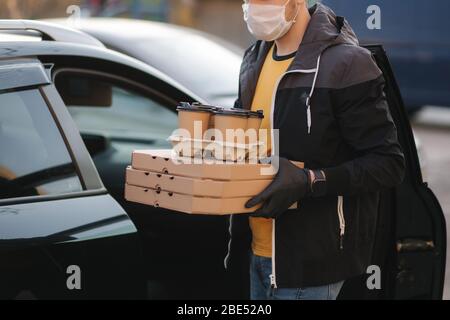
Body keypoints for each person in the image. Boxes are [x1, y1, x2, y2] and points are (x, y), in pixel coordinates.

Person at [225, 0, 406, 300]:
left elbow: (388, 164)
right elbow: (247, 141)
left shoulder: (347, 64)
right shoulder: (255, 58)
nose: (253, 6)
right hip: (256, 253)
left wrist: (310, 180)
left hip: (311, 267)